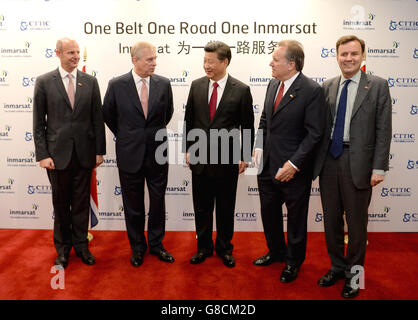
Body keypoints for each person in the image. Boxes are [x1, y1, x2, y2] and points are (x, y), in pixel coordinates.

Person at [313, 35, 392, 298]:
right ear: (336, 56)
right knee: (331, 221)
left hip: (359, 163)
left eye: (354, 54)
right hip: (329, 162)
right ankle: (337, 267)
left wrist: (379, 167)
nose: (348, 58)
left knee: (356, 225)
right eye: (343, 54)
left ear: (363, 56)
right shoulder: (327, 86)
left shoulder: (378, 86)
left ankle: (355, 275)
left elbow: (383, 129)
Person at [252, 40, 325, 282]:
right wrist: (258, 147)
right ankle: (275, 251)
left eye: (275, 60)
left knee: (295, 218)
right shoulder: (273, 84)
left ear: (291, 64)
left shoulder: (312, 90)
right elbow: (264, 119)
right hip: (268, 166)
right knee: (269, 213)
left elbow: (315, 133)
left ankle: (293, 262)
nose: (270, 63)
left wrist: (294, 164)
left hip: (294, 170)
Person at [33, 37, 106, 268]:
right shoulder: (44, 82)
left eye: (77, 52)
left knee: (82, 203)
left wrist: (99, 151)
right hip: (56, 156)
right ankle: (62, 249)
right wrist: (43, 154)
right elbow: (38, 123)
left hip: (85, 154)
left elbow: (97, 119)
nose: (75, 56)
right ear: (58, 53)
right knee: (61, 204)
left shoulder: (90, 82)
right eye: (70, 53)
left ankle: (82, 247)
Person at [102, 41, 174, 267]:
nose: (154, 63)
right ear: (135, 60)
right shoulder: (116, 85)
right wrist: (129, 135)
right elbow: (109, 115)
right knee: (132, 205)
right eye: (149, 59)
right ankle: (137, 247)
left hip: (158, 152)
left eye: (155, 58)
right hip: (129, 153)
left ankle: (156, 244)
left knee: (157, 201)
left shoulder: (164, 84)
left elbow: (167, 113)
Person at [183, 41, 254, 268]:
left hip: (227, 160)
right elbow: (189, 120)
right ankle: (203, 247)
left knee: (225, 207)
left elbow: (248, 126)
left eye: (211, 61)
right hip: (200, 159)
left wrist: (245, 156)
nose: (206, 65)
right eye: (204, 61)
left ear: (224, 62)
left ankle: (224, 248)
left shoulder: (241, 89)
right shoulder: (196, 86)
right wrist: (187, 149)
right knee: (201, 207)